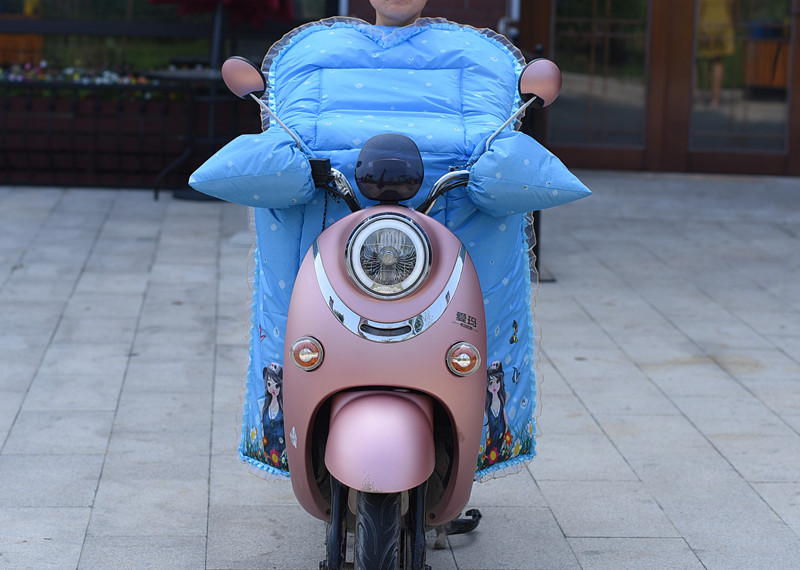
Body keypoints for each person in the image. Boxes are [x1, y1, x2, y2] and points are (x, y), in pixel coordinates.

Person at [190, 0, 590, 481]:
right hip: (340, 241)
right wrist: (289, 167)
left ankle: (465, 439)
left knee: (465, 347)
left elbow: (497, 146)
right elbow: (287, 144)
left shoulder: (475, 56)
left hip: (436, 241)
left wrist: (496, 168)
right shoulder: (314, 52)